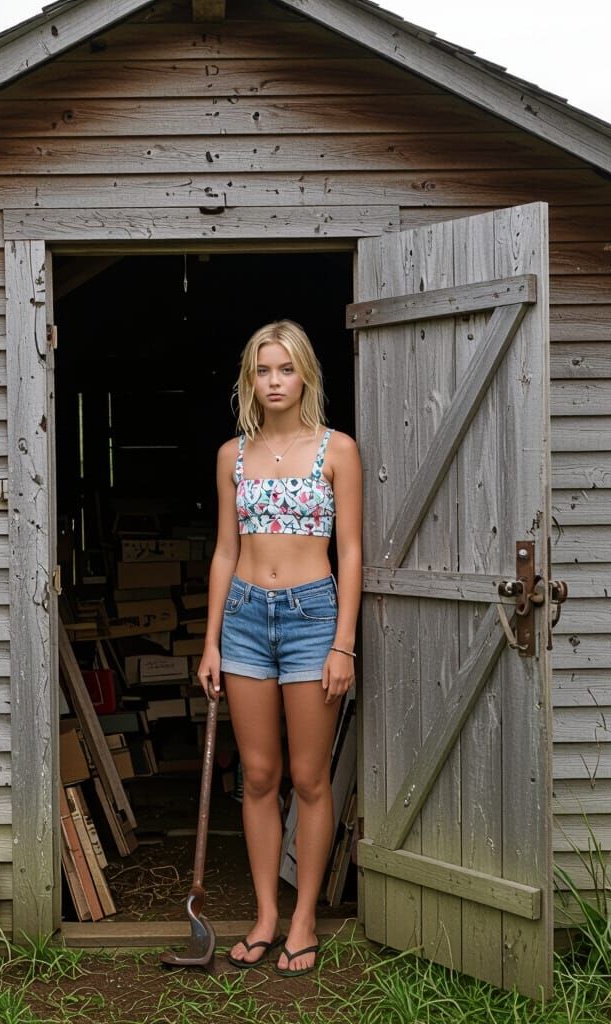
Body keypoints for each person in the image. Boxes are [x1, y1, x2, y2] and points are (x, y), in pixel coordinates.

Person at [198, 319, 363, 977]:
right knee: (259, 776)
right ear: (251, 378)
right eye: (263, 370)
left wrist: (343, 644)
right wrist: (209, 641)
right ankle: (266, 914)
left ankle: (303, 919)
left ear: (304, 377)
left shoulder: (336, 450)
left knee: (308, 777)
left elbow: (349, 552)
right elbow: (224, 551)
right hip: (242, 618)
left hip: (311, 617)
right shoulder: (230, 456)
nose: (273, 382)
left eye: (284, 369)